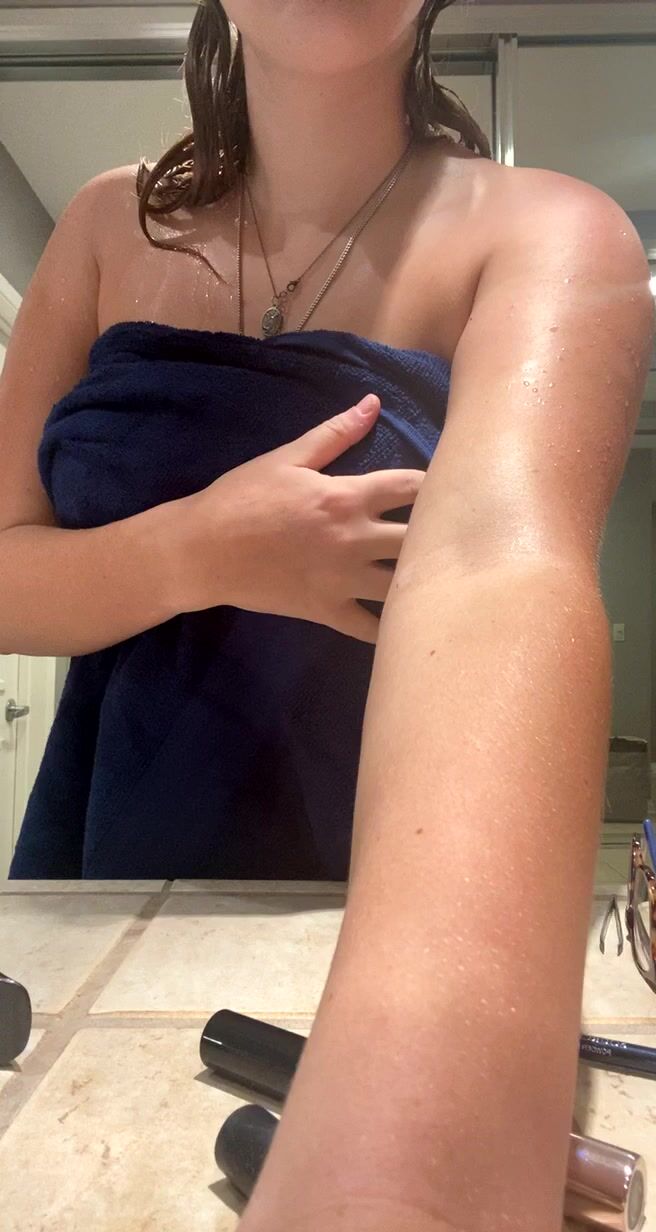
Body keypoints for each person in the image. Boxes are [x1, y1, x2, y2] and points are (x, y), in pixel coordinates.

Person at [0, 0, 653, 1227]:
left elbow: (500, 571)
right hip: (98, 886)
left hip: (392, 913)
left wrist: (407, 1171)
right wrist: (203, 550)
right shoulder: (99, 224)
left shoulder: (551, 232)